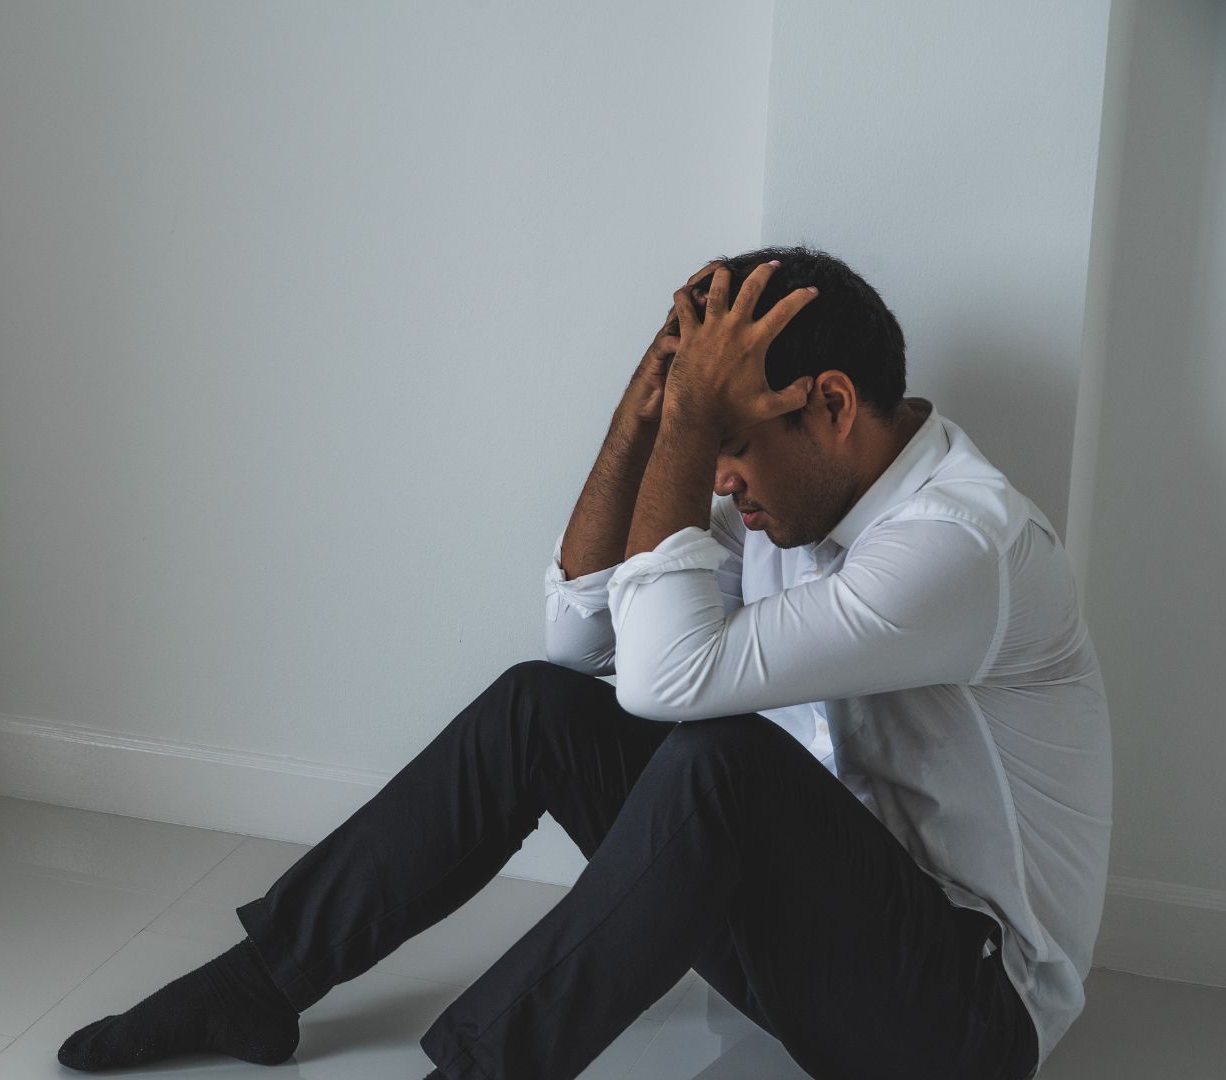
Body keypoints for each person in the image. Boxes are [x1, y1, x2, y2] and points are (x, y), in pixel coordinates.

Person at [55, 246, 1111, 1080]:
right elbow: (576, 645)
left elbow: (665, 683)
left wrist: (693, 431)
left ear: (831, 407)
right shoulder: (794, 505)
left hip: (964, 1021)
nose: (718, 480)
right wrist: (639, 427)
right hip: (818, 948)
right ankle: (259, 981)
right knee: (539, 707)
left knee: (721, 764)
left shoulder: (962, 547)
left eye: (726, 446)